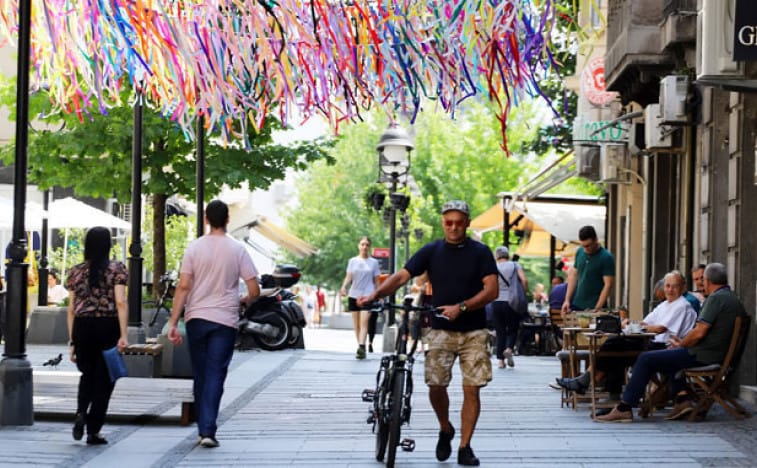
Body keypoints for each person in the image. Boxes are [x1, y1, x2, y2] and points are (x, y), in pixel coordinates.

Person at [358, 200, 498, 466]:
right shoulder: (432, 250)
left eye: (459, 222)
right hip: (440, 329)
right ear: (443, 223)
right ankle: (445, 428)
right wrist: (375, 294)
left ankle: (465, 446)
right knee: (435, 386)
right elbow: (401, 276)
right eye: (449, 222)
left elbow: (491, 290)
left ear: (467, 223)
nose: (454, 227)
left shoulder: (480, 252)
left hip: (474, 332)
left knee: (472, 390)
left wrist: (463, 307)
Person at [596, 263, 747, 423]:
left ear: (708, 281)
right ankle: (682, 400)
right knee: (669, 355)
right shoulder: (732, 298)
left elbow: (699, 332)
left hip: (704, 355)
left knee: (646, 358)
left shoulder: (716, 299)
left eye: (702, 280)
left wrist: (682, 344)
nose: (702, 284)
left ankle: (624, 408)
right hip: (715, 354)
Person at [167, 200, 260, 448]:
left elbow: (184, 286)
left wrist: (174, 322)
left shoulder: (194, 248)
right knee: (216, 373)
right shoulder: (237, 250)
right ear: (228, 220)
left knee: (200, 373)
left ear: (206, 219)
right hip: (225, 320)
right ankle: (208, 429)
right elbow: (254, 289)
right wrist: (243, 300)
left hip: (197, 318)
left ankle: (203, 427)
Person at [557, 271, 697, 402]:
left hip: (665, 347)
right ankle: (602, 389)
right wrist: (631, 323)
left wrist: (637, 327)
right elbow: (646, 322)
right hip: (650, 341)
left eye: (675, 286)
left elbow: (660, 328)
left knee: (615, 346)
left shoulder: (682, 306)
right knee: (615, 346)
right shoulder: (665, 304)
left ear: (683, 287)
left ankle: (591, 382)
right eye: (667, 286)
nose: (670, 290)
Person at [65, 226, 128, 445]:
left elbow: (71, 309)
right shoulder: (116, 269)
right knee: (105, 379)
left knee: (87, 375)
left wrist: (72, 340)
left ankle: (81, 411)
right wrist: (123, 334)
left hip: (82, 327)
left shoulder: (75, 271)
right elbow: (120, 302)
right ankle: (93, 430)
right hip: (107, 326)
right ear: (108, 245)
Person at [339, 236, 380, 359]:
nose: (365, 247)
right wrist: (343, 287)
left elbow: (377, 281)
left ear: (369, 247)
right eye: (362, 244)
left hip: (367, 295)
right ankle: (360, 347)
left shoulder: (374, 262)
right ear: (359, 246)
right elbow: (348, 277)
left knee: (364, 322)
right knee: (356, 325)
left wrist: (379, 294)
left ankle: (362, 346)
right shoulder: (353, 261)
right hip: (354, 295)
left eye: (367, 245)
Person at [561, 225, 615, 316]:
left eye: (588, 245)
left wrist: (598, 308)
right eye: (583, 246)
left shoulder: (606, 257)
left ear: (596, 240)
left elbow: (608, 285)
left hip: (595, 304)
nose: (586, 249)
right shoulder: (580, 252)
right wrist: (567, 300)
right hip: (577, 303)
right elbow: (573, 275)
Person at [491, 246, 527, 369]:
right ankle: (509, 349)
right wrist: (524, 292)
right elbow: (524, 280)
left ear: (497, 256)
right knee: (512, 328)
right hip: (512, 302)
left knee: (500, 331)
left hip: (496, 302)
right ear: (508, 255)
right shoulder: (515, 265)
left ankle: (501, 361)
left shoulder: (493, 267)